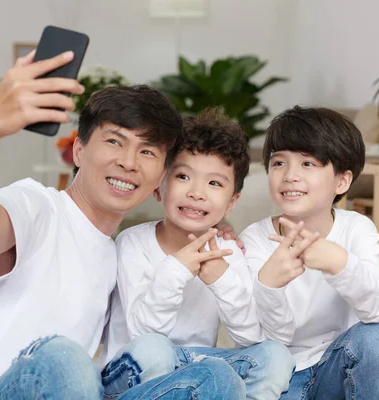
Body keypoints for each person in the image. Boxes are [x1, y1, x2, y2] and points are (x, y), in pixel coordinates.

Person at [0, 50, 245, 400]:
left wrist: (215, 225)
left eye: (147, 152)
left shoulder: (113, 253)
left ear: (161, 177)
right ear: (78, 151)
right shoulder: (40, 208)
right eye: (114, 142)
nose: (128, 162)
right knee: (66, 360)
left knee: (214, 378)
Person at [97, 109, 295, 399]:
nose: (197, 192)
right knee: (156, 349)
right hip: (133, 370)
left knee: (275, 355)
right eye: (183, 176)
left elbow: (250, 337)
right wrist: (175, 270)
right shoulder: (134, 243)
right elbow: (143, 332)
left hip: (197, 366)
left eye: (214, 183)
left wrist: (222, 280)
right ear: (158, 186)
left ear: (231, 202)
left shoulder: (228, 253)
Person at [238, 106, 379, 399]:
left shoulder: (357, 228)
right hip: (280, 375)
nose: (290, 175)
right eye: (279, 163)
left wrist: (339, 264)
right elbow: (268, 341)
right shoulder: (255, 239)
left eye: (308, 164)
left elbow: (376, 309)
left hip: (337, 367)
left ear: (341, 181)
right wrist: (270, 286)